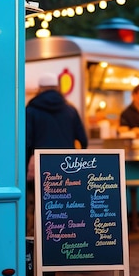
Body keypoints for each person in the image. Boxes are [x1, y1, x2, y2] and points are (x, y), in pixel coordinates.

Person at [25, 72, 88, 236]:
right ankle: (65, 235)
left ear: (40, 89)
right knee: (64, 203)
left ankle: (38, 236)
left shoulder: (31, 110)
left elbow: (26, 140)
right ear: (57, 88)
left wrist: (26, 165)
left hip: (41, 165)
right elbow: (83, 140)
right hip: (66, 166)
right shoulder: (70, 109)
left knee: (38, 202)